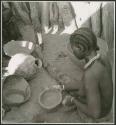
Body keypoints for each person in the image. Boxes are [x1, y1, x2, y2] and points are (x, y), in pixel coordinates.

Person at [49, 27, 113, 119]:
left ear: (81, 48)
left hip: (102, 111)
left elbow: (95, 113)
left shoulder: (90, 74)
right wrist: (62, 87)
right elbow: (87, 84)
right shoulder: (103, 57)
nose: (72, 51)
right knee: (75, 89)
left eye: (73, 48)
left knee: (75, 95)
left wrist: (73, 100)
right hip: (105, 103)